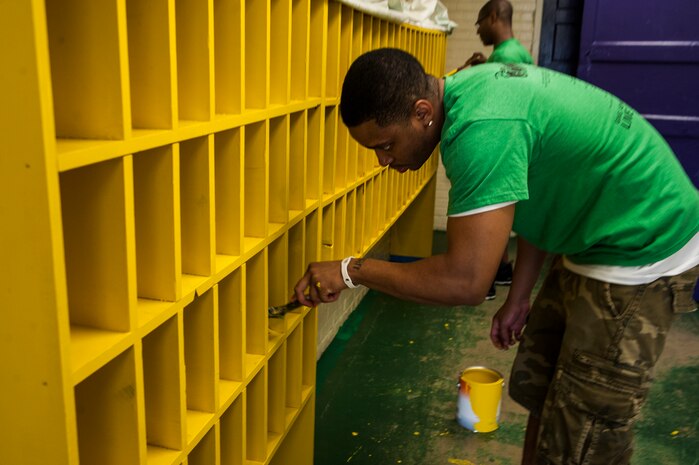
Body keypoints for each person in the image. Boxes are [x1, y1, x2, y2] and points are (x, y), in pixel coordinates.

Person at [293, 48, 699, 464]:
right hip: (592, 230)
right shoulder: (466, 91)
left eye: (386, 145)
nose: (383, 161)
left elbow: (465, 281)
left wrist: (350, 271)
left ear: (421, 112)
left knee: (585, 429)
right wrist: (520, 295)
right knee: (541, 386)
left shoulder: (481, 130)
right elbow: (538, 193)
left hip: (642, 243)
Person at [456, 0, 535, 299]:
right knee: (504, 208)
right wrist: (483, 68)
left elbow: (499, 102)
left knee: (490, 209)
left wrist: (469, 74)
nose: (477, 29)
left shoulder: (507, 57)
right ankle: (501, 268)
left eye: (479, 23)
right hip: (513, 146)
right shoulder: (512, 54)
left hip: (503, 147)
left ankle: (485, 276)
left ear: (493, 17)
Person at [457, 0, 533, 71]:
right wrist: (487, 65)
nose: (478, 31)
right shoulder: (517, 50)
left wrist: (463, 76)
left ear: (493, 17)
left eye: (479, 24)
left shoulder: (505, 56)